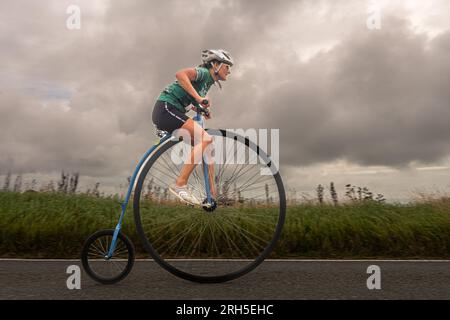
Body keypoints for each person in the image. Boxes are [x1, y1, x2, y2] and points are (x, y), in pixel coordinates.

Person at [152, 49, 233, 205]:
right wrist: (198, 98)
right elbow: (181, 75)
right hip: (166, 108)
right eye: (227, 66)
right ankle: (180, 184)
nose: (229, 71)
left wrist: (201, 107)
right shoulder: (203, 73)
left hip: (171, 111)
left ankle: (211, 195)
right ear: (215, 65)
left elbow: (191, 97)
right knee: (206, 139)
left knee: (207, 146)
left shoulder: (207, 83)